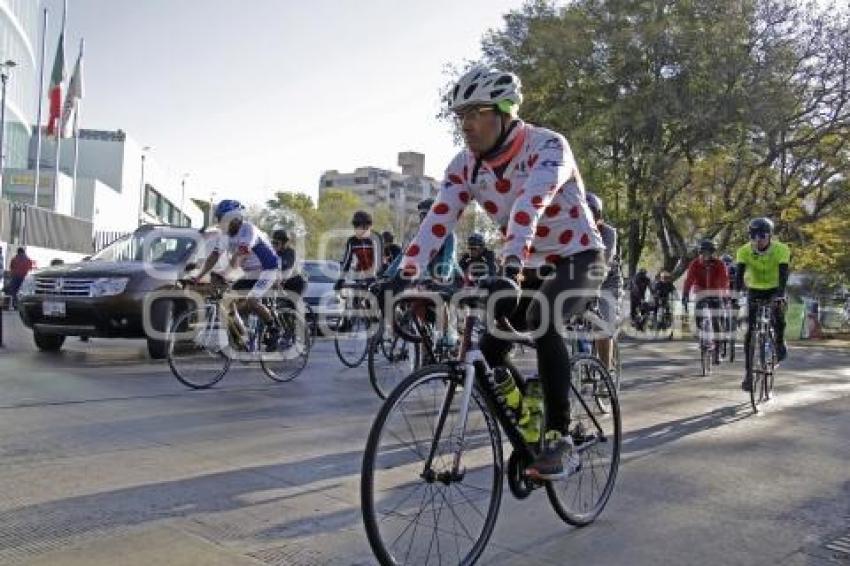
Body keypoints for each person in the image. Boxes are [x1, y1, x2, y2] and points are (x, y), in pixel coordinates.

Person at [397, 65, 606, 480]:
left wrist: (510, 263)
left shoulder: (548, 146)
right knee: (488, 352)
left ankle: (558, 437)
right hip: (523, 263)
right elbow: (439, 219)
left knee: (543, 320)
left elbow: (531, 202)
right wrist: (402, 273)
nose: (466, 125)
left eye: (476, 113)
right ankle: (528, 419)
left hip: (578, 258)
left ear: (506, 112)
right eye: (461, 116)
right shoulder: (465, 165)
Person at [193, 200, 281, 350]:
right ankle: (242, 337)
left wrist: (226, 271)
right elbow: (214, 256)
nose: (219, 222)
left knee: (252, 300)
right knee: (227, 301)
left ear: (233, 218)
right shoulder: (225, 235)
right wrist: (200, 275)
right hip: (251, 273)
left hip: (268, 269)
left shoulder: (248, 229)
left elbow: (242, 253)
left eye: (221, 218)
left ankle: (275, 329)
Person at [735, 217, 791, 391]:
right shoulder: (743, 251)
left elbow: (783, 274)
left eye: (762, 236)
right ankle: (748, 375)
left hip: (775, 288)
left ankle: (780, 342)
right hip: (755, 289)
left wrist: (780, 295)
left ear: (770, 236)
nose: (758, 240)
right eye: (753, 236)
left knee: (779, 315)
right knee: (750, 332)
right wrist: (736, 296)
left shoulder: (781, 249)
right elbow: (738, 276)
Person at [586, 192, 621, 369]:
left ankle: (605, 372)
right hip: (579, 280)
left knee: (601, 325)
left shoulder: (608, 233)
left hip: (607, 281)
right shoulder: (570, 230)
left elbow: (603, 263)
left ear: (598, 215)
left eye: (589, 213)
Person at [682, 239, 729, 364]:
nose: (706, 255)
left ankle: (717, 351)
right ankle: (702, 335)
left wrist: (723, 296)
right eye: (703, 253)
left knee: (716, 320)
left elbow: (724, 280)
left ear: (713, 252)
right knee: (698, 315)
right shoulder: (695, 264)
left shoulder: (719, 264)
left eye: (709, 252)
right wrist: (685, 294)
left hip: (715, 292)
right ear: (700, 252)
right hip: (701, 291)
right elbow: (689, 280)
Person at [335, 210, 382, 290]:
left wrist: (373, 276)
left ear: (368, 228)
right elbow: (347, 262)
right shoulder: (352, 241)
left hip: (376, 278)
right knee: (355, 297)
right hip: (360, 276)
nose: (357, 231)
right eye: (356, 228)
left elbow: (377, 262)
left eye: (363, 229)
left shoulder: (375, 239)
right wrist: (340, 279)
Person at [272, 229, 306, 297]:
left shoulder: (291, 252)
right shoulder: (273, 251)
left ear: (285, 242)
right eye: (273, 242)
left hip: (295, 283)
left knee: (293, 302)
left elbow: (287, 270)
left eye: (276, 242)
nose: (274, 244)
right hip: (282, 282)